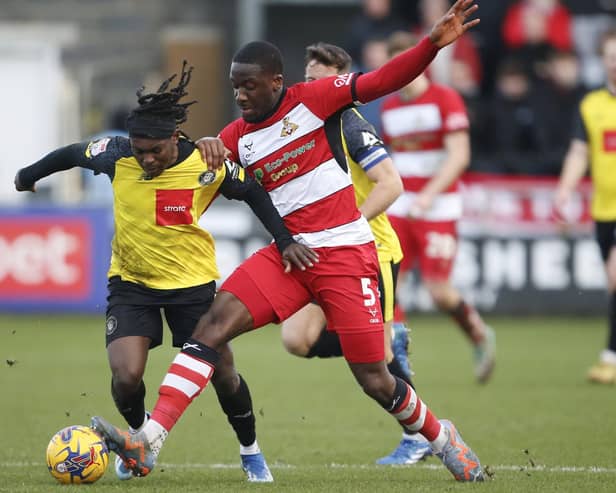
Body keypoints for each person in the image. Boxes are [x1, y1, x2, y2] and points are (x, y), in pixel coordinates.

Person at [91, 0, 485, 482]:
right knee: (210, 327)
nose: (240, 94)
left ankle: (443, 439)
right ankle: (147, 441)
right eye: (235, 86)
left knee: (375, 379)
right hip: (291, 256)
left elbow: (382, 80)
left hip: (347, 256)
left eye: (249, 85)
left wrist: (430, 46)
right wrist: (202, 153)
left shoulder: (315, 100)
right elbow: (189, 175)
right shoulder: (235, 136)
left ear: (276, 81)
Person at [14, 62, 317, 483]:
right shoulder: (116, 155)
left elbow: (251, 190)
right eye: (140, 151)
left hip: (192, 286)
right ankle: (140, 440)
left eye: (155, 150)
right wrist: (28, 175)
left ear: (176, 138)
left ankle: (251, 451)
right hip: (131, 282)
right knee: (125, 377)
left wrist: (284, 239)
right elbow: (70, 153)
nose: (147, 158)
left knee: (224, 375)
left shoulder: (206, 162)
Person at [279, 41, 433, 466]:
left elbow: (391, 184)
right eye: (306, 79)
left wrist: (351, 224)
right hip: (327, 252)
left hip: (372, 253)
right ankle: (388, 343)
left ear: (341, 81)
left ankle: (417, 435)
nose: (309, 87)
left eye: (319, 80)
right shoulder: (302, 126)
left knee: (376, 364)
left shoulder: (350, 122)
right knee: (296, 338)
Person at [380, 31, 495, 384]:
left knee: (438, 290)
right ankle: (397, 357)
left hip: (439, 206)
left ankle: (477, 332)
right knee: (390, 283)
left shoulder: (445, 99)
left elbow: (460, 154)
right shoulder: (389, 107)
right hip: (400, 207)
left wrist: (429, 194)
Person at [553, 29, 616, 385]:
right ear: (602, 61)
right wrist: (564, 192)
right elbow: (580, 152)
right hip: (604, 210)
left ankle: (610, 356)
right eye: (611, 56)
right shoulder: (591, 105)